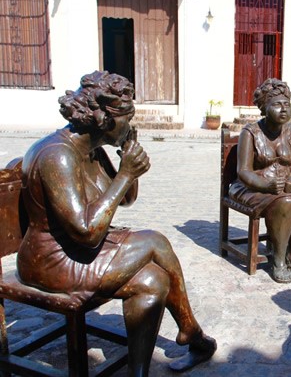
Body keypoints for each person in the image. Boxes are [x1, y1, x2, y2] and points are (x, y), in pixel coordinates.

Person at [18, 70, 216, 376]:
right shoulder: (58, 155)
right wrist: (125, 174)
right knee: (155, 240)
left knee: (154, 281)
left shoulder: (91, 149)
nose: (132, 124)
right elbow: (86, 231)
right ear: (104, 120)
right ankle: (190, 330)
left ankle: (140, 371)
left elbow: (125, 199)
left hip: (81, 249)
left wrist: (127, 163)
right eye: (128, 117)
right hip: (51, 261)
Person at [229, 78, 291, 283]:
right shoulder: (249, 133)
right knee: (285, 202)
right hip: (250, 187)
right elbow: (243, 172)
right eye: (277, 104)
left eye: (286, 104)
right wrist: (265, 185)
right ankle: (278, 261)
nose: (283, 109)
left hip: (283, 185)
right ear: (264, 108)